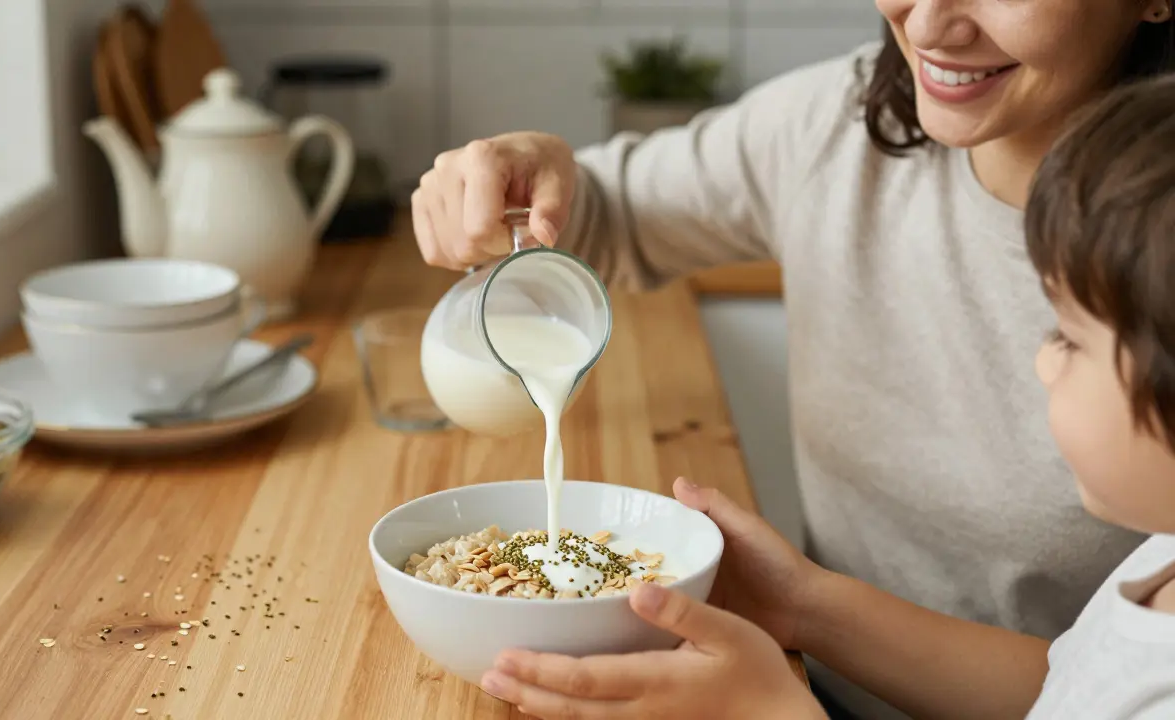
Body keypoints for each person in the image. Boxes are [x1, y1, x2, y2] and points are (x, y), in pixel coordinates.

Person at [412, 2, 1175, 716]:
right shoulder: (835, 126)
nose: (933, 22)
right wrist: (529, 178)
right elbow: (1082, 680)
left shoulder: (1155, 235)